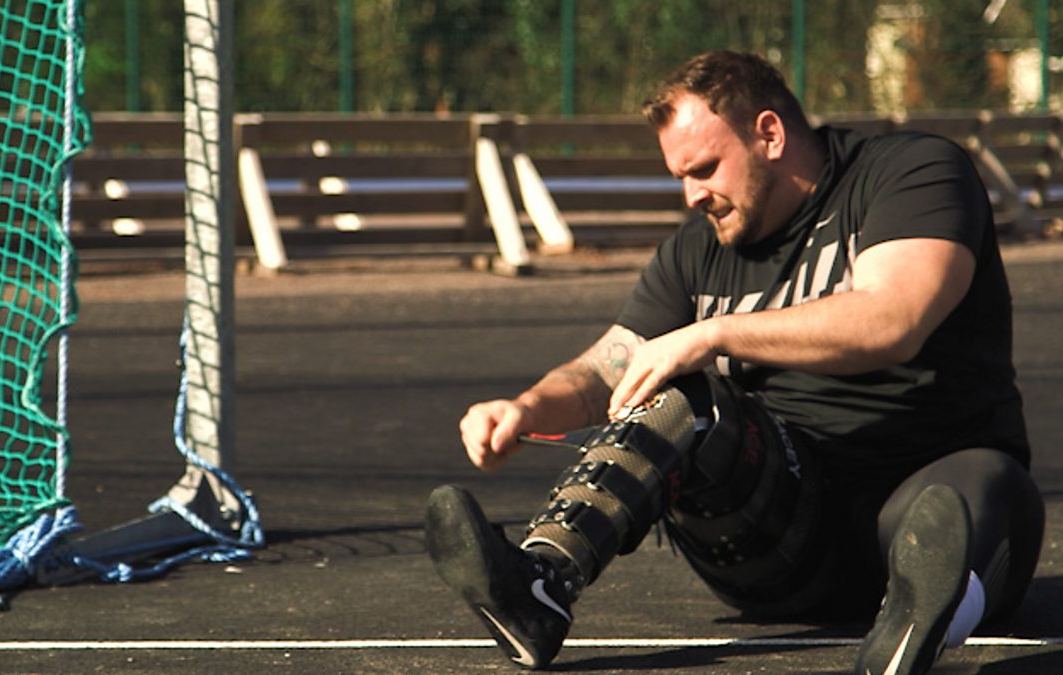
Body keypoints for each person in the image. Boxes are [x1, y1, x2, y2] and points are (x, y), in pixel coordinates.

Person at [423, 50, 1044, 675]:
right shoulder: (697, 251)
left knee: (978, 493)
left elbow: (895, 319)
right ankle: (540, 586)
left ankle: (917, 628)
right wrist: (526, 407)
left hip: (931, 492)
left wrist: (714, 334)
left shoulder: (911, 173)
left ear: (769, 134)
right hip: (780, 525)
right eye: (680, 177)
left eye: (704, 169)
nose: (692, 195)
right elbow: (606, 369)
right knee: (684, 399)